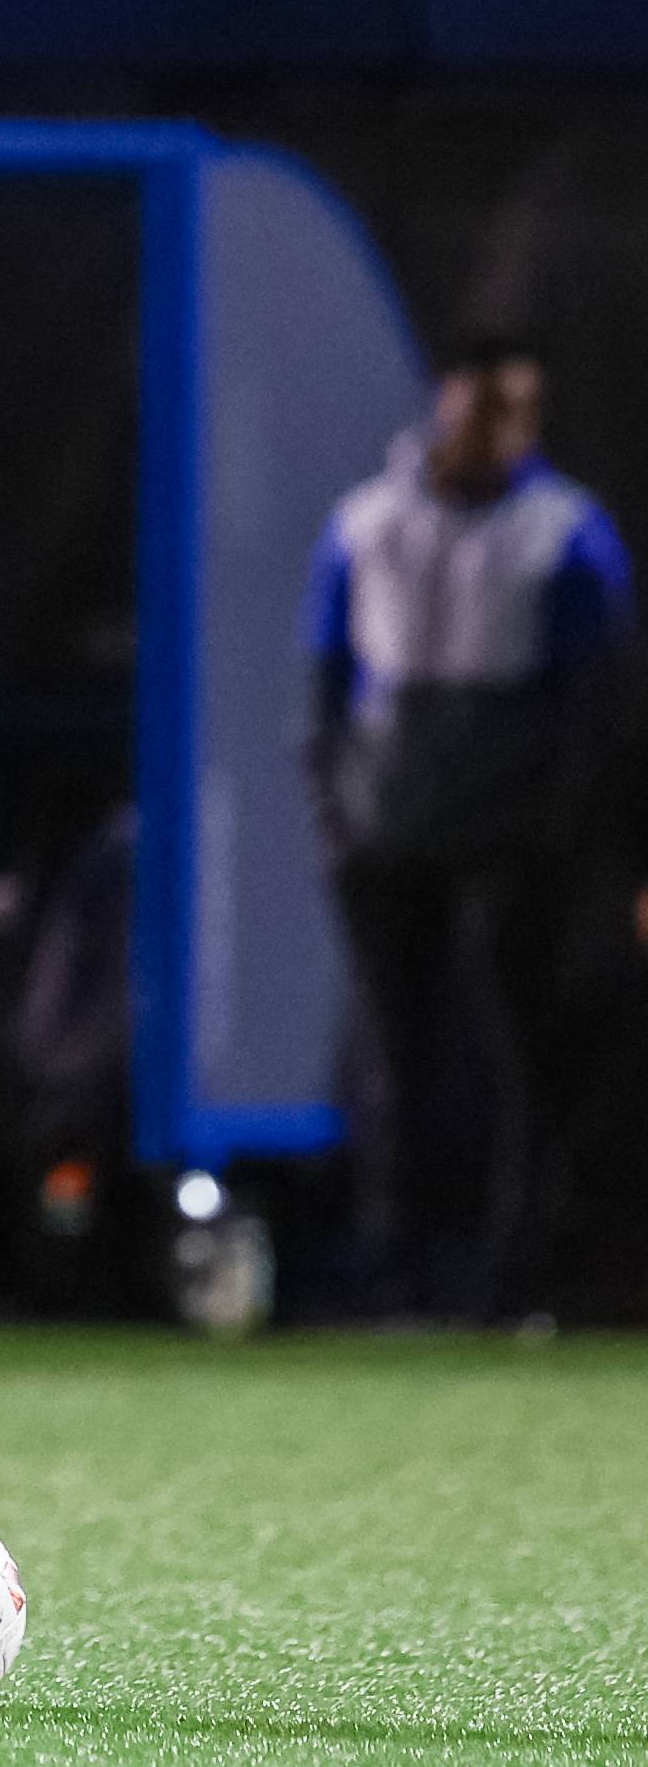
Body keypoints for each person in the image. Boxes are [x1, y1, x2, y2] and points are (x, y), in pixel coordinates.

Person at [306, 335, 632, 1321]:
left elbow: (593, 700)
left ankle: (515, 1267)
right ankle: (390, 1264)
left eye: (519, 409)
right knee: (395, 1052)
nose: (498, 428)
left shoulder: (562, 529)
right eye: (483, 404)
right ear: (445, 402)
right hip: (389, 830)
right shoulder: (368, 523)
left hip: (510, 838)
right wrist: (337, 807)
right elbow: (323, 684)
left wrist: (554, 824)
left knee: (517, 1051)